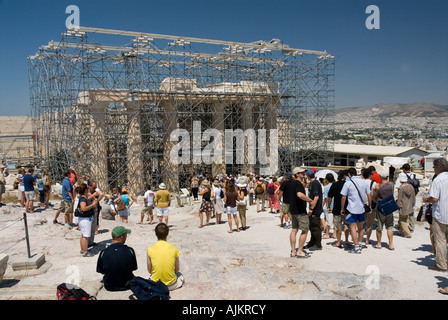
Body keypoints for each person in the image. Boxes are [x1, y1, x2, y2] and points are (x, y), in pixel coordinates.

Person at [422, 158, 448, 273]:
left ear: (438, 167)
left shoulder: (439, 179)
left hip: (441, 214)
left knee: (440, 240)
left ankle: (441, 264)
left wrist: (426, 199)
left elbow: (435, 198)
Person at [340, 167, 372, 254]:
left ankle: (356, 246)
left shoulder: (348, 183)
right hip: (361, 208)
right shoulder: (364, 182)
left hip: (351, 208)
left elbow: (343, 197)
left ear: (349, 174)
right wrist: (370, 206)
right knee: (361, 227)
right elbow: (369, 195)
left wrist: (342, 208)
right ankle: (360, 244)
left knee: (353, 227)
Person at [96, 226, 137, 291]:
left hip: (110, 286)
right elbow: (133, 268)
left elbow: (101, 271)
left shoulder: (104, 252)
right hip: (127, 285)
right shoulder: (130, 250)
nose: (126, 237)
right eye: (126, 235)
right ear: (121, 237)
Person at [147, 223, 185, 291]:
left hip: (157, 285)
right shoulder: (174, 249)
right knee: (180, 275)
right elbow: (177, 269)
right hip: (171, 285)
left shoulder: (150, 249)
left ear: (156, 234)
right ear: (167, 234)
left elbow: (149, 271)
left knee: (150, 277)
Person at [286, 167, 313, 258]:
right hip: (300, 211)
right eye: (301, 173)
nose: (304, 174)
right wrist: (310, 200)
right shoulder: (298, 184)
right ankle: (300, 251)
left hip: (293, 210)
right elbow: (299, 194)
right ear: (297, 174)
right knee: (304, 230)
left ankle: (293, 251)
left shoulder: (291, 183)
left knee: (294, 230)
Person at [372, 173, 395, 250]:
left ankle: (379, 243)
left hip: (380, 208)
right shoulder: (391, 185)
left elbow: (374, 198)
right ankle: (391, 244)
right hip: (389, 207)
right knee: (389, 226)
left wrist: (376, 190)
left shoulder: (379, 186)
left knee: (379, 226)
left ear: (380, 177)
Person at [327, 170, 348, 248]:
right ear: (344, 177)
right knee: (347, 225)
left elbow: (330, 197)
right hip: (347, 207)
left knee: (338, 226)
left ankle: (339, 242)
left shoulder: (334, 185)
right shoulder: (347, 184)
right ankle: (346, 240)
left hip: (337, 208)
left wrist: (329, 206)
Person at [304, 169, 324, 251]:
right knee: (311, 226)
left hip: (315, 209)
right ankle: (312, 242)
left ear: (308, 176)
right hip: (314, 208)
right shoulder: (313, 183)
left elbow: (316, 197)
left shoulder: (315, 183)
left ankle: (318, 244)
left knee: (315, 227)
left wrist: (312, 208)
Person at [77, 184, 98, 257]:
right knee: (85, 236)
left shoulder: (83, 197)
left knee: (83, 235)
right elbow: (83, 208)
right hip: (85, 219)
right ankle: (85, 252)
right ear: (85, 190)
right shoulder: (82, 199)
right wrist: (93, 205)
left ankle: (83, 249)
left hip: (84, 219)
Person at [322, 173, 335, 239]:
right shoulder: (335, 185)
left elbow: (326, 198)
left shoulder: (326, 187)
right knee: (335, 221)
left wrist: (322, 205)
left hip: (329, 205)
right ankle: (335, 234)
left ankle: (327, 234)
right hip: (336, 205)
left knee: (328, 221)